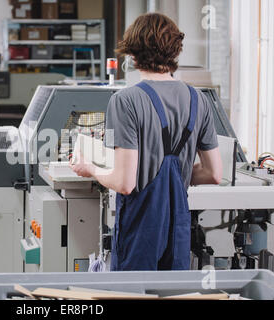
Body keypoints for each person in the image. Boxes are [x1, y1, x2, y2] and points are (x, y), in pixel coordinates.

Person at [70, 13, 223, 271]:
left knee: (134, 294)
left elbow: (124, 183)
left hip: (141, 232)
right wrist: (177, 171)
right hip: (178, 229)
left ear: (133, 54)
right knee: (172, 295)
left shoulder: (125, 100)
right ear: (174, 51)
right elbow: (214, 173)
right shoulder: (199, 100)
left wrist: (91, 169)